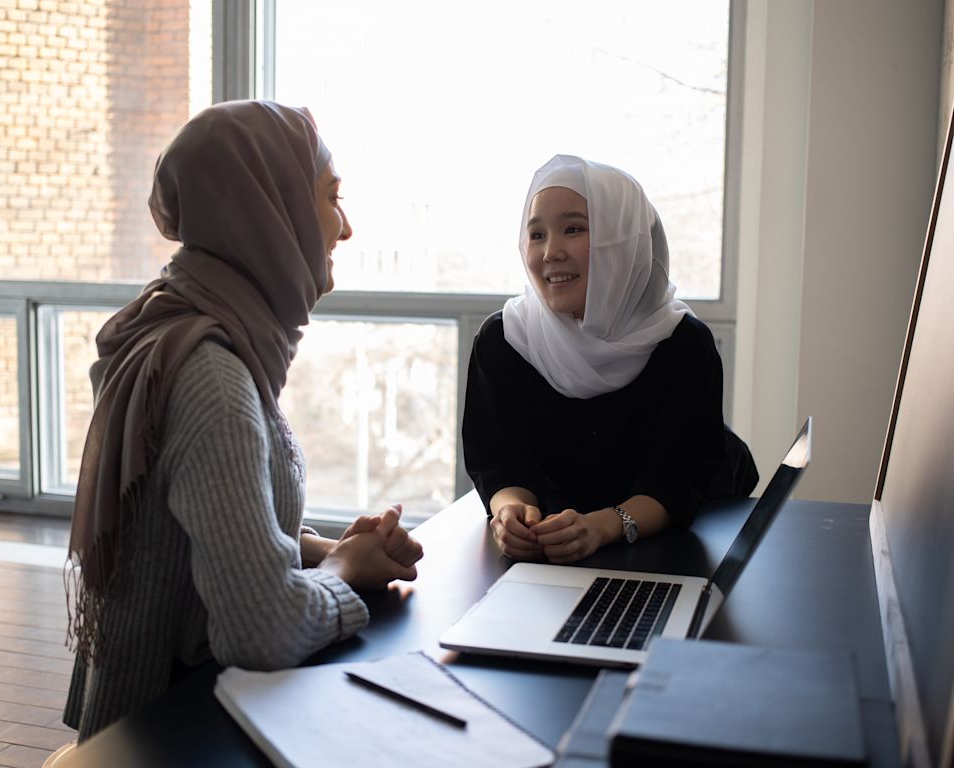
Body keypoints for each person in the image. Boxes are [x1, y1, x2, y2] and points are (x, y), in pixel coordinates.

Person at [61, 101, 423, 742]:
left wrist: (326, 549)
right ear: (269, 206)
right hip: (173, 736)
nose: (345, 228)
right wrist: (347, 573)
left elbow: (193, 539)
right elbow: (258, 629)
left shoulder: (183, 323)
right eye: (331, 197)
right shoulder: (212, 374)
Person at [463, 154, 757, 564]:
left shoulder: (682, 344)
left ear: (624, 240)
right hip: (549, 562)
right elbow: (499, 461)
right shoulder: (505, 340)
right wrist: (509, 511)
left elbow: (679, 479)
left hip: (669, 548)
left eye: (573, 229)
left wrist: (604, 525)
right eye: (536, 235)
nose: (550, 252)